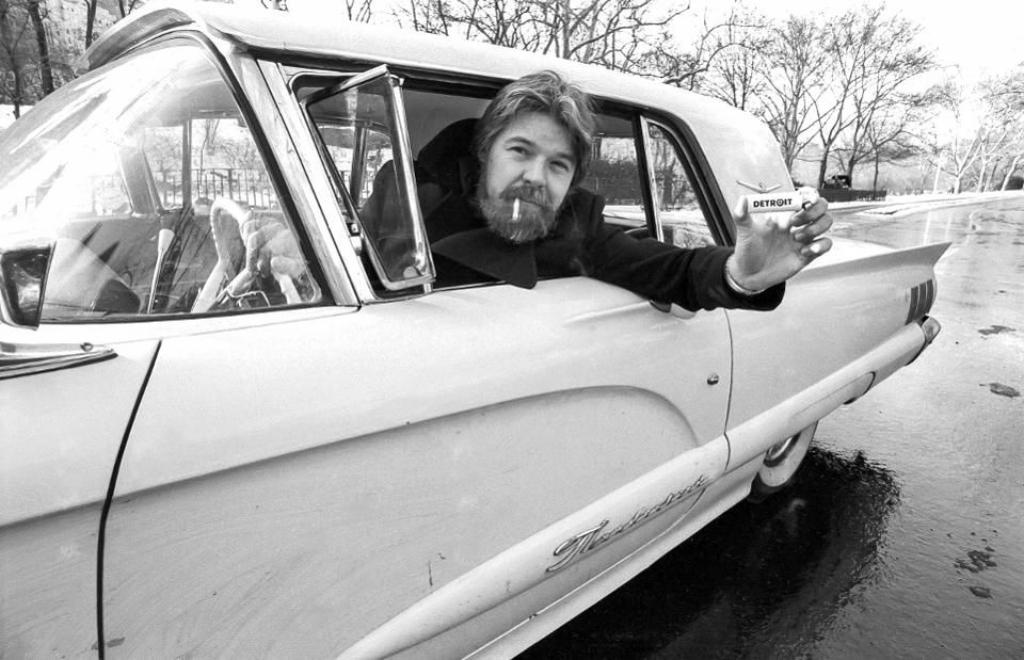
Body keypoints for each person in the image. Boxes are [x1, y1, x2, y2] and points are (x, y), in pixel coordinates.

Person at [423, 70, 833, 312]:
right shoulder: (410, 208)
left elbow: (677, 271)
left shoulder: (578, 233)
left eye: (558, 164)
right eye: (519, 151)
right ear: (484, 152)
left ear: (571, 182)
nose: (535, 177)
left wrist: (740, 275)